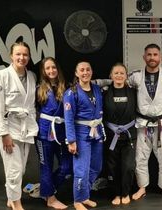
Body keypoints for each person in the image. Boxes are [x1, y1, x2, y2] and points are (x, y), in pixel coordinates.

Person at [0, 41, 38, 210]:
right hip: (8, 127)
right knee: (14, 170)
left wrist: (33, 124)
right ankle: (17, 204)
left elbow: (31, 104)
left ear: (29, 57)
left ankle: (11, 197)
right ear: (11, 56)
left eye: (25, 54)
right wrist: (4, 134)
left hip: (25, 127)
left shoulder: (31, 76)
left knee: (21, 168)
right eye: (18, 54)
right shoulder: (1, 76)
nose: (21, 57)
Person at [129, 43, 162, 201]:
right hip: (143, 124)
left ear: (160, 57)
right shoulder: (136, 76)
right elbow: (118, 80)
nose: (152, 57)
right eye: (149, 55)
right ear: (144, 57)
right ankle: (142, 188)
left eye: (155, 54)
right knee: (140, 158)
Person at [63, 61, 104, 210]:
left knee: (96, 166)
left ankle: (84, 195)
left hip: (96, 132)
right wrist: (71, 140)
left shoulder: (97, 89)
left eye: (88, 69)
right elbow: (68, 118)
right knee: (81, 168)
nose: (85, 72)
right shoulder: (71, 93)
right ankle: (78, 200)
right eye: (82, 70)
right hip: (80, 133)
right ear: (76, 73)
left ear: (91, 72)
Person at [35, 57, 72, 209]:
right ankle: (50, 198)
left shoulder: (67, 87)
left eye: (53, 67)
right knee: (46, 166)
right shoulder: (39, 89)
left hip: (62, 132)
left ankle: (46, 190)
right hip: (44, 133)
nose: (51, 71)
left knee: (66, 166)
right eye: (47, 68)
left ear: (58, 69)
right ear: (43, 71)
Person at [103, 63, 137, 205]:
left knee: (128, 166)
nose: (119, 75)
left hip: (129, 134)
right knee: (112, 166)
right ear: (111, 75)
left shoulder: (133, 92)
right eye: (116, 73)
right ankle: (116, 193)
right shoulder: (104, 93)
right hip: (111, 135)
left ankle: (126, 192)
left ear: (126, 76)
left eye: (122, 73)